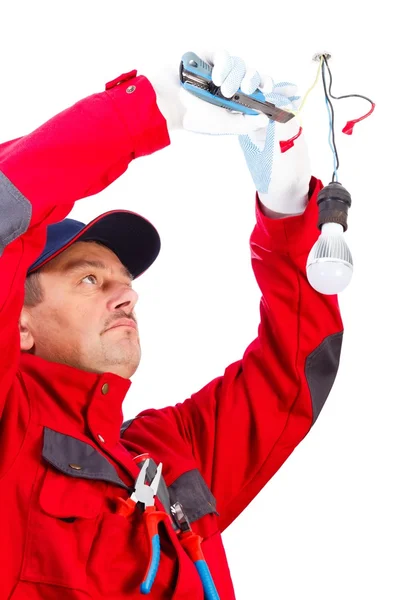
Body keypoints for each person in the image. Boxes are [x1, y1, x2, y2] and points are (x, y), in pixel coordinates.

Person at [0, 49, 344, 599]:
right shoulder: (8, 428)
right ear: (17, 324)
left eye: (123, 279)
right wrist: (147, 108)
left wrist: (286, 210)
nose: (126, 294)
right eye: (89, 279)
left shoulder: (169, 452)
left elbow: (294, 371)